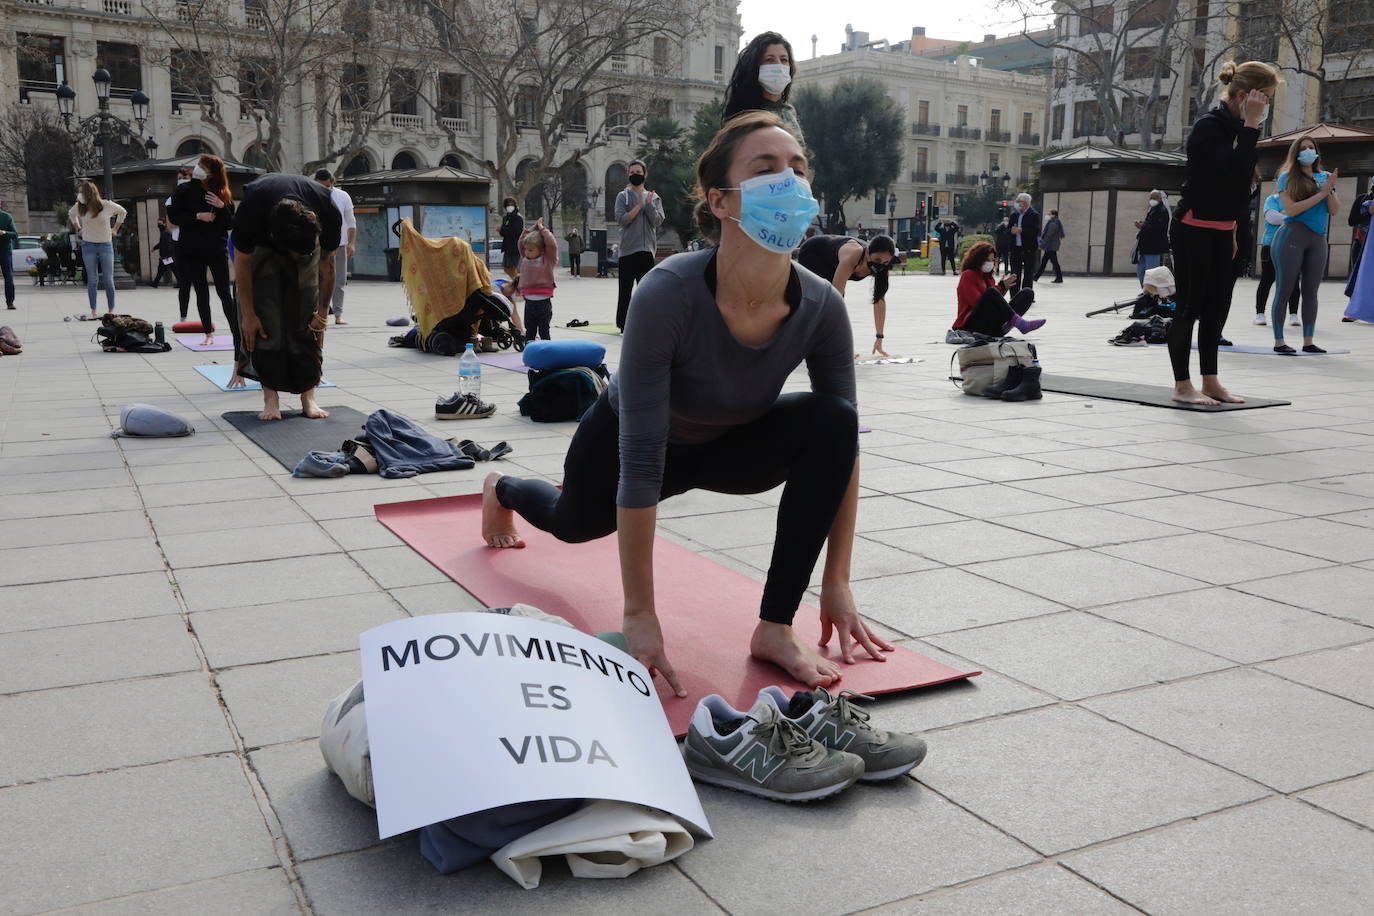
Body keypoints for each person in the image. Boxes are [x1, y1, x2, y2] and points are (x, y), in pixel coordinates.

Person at [481, 110, 888, 691]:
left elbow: (842, 450)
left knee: (833, 421)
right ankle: (502, 489)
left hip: (730, 445)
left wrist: (837, 580)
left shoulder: (821, 305)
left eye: (798, 169)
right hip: (633, 441)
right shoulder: (667, 291)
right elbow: (643, 457)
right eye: (766, 169)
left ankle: (774, 627)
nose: (790, 182)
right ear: (720, 202)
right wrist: (640, 616)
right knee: (569, 524)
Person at [1167, 60, 1278, 405]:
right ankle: (1183, 385)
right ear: (1245, 95)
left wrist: (1233, 228)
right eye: (1266, 98)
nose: (1267, 106)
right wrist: (1251, 125)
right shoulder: (1210, 126)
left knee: (1217, 307)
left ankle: (1211, 381)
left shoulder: (1238, 130)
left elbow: (1239, 188)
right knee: (1188, 307)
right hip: (1193, 227)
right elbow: (1231, 170)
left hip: (1224, 228)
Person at [232, 172, 342, 421]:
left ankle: (308, 396)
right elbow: (242, 263)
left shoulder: (326, 208)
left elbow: (327, 265)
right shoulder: (252, 209)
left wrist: (322, 314)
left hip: (304, 243)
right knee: (265, 320)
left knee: (306, 319)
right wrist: (249, 315)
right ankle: (271, 399)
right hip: (263, 252)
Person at [1270, 135, 1339, 354]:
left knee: (1311, 291)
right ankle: (1279, 341)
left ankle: (1308, 341)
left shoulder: (1324, 177)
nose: (1308, 151)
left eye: (1311, 147)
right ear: (1295, 153)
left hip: (1317, 238)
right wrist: (1321, 194)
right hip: (1292, 236)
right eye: (1303, 148)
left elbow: (1335, 210)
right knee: (1285, 289)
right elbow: (1290, 210)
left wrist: (1329, 191)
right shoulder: (1287, 177)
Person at [168, 155, 237, 351]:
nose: (198, 168)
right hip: (191, 248)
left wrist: (221, 207)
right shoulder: (184, 190)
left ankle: (236, 332)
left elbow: (230, 222)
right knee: (201, 291)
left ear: (213, 172)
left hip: (217, 248)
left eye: (203, 166)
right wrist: (198, 216)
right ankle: (208, 333)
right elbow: (173, 216)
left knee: (225, 292)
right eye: (199, 165)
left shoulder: (222, 193)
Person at [797, 232, 897, 356]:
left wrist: (879, 337)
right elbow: (835, 299)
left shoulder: (882, 266)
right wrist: (843, 348)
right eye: (877, 259)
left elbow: (879, 301)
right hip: (815, 252)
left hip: (835, 260)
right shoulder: (852, 256)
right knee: (824, 300)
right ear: (867, 253)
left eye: (885, 262)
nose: (880, 264)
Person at [721, 32, 804, 142]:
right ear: (754, 67)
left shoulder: (789, 112)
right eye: (770, 60)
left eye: (784, 60)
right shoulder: (745, 118)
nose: (778, 65)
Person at [952, 241, 1044, 337]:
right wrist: (997, 290)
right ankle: (1019, 323)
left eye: (992, 260)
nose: (990, 263)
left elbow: (993, 300)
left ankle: (1005, 327)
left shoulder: (988, 277)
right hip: (971, 324)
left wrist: (1002, 286)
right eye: (987, 260)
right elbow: (978, 302)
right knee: (991, 292)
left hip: (989, 323)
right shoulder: (968, 275)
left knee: (1027, 293)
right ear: (977, 259)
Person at [614, 159, 664, 330]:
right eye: (632, 172)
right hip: (627, 251)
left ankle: (648, 323)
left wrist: (648, 205)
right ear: (628, 174)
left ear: (645, 174)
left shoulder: (654, 197)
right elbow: (621, 220)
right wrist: (639, 206)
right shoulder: (623, 196)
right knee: (625, 291)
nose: (635, 175)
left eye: (639, 172)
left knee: (646, 292)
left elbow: (657, 221)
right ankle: (623, 325)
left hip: (647, 250)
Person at [68, 180, 126, 318]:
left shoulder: (106, 205)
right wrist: (78, 229)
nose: (79, 195)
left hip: (105, 244)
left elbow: (123, 212)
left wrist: (115, 229)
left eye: (81, 192)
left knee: (108, 278)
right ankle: (93, 311)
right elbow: (71, 214)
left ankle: (111, 310)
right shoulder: (80, 207)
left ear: (90, 193)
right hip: (88, 245)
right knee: (92, 279)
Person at [314, 169, 356, 325]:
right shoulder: (311, 194)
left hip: (339, 244)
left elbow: (351, 221)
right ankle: (319, 312)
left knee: (339, 280)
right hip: (317, 244)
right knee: (317, 279)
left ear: (332, 182)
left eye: (326, 186)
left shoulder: (342, 196)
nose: (324, 190)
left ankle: (338, 314)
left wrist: (351, 243)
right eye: (320, 186)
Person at [1253, 192, 1300, 325]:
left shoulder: (1299, 199)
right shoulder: (1272, 199)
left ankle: (1293, 314)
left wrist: (1284, 213)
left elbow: (1305, 218)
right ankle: (1260, 314)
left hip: (1292, 245)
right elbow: (1272, 218)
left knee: (1294, 281)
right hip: (1270, 244)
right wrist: (1293, 215)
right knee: (1266, 280)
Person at [516, 218, 557, 340]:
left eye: (531, 250)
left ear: (541, 249)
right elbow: (520, 243)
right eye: (526, 249)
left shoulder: (548, 260)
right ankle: (529, 351)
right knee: (530, 330)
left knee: (544, 329)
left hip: (543, 302)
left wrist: (542, 229)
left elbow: (552, 244)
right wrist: (530, 229)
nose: (527, 252)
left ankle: (547, 352)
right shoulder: (526, 258)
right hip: (529, 301)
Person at [164, 166, 194, 319]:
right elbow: (171, 225)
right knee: (184, 283)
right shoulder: (171, 199)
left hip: (196, 242)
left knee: (200, 283)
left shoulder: (196, 197)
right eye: (179, 178)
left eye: (185, 178)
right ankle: (183, 316)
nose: (181, 181)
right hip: (179, 243)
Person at [1343, 180, 1373, 319]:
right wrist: (1369, 212)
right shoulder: (1362, 199)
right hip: (1360, 244)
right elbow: (1351, 221)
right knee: (1357, 276)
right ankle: (1354, 310)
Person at [1134, 190, 1171, 287]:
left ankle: (1150, 293)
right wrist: (1143, 224)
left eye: (1154, 198)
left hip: (1154, 248)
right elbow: (1150, 225)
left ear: (1159, 198)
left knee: (1151, 273)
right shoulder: (1153, 210)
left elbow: (1157, 229)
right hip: (1145, 247)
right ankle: (1146, 291)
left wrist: (1142, 226)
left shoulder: (1161, 211)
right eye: (1151, 198)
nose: (1152, 200)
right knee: (1141, 270)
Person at [1007, 192, 1041, 289]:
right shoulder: (1014, 215)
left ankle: (1027, 294)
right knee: (1014, 273)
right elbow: (1008, 230)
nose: (1016, 203)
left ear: (1026, 203)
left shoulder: (1034, 215)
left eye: (1019, 201)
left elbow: (1035, 231)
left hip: (1028, 249)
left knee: (1028, 273)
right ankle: (1014, 294)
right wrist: (1011, 231)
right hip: (1015, 249)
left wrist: (1022, 230)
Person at [1036, 208, 1065, 283]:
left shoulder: (1053, 224)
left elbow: (1048, 236)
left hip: (1050, 246)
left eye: (1049, 214)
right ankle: (1036, 277)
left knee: (1050, 262)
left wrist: (1042, 244)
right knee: (1047, 262)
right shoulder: (1054, 222)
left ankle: (1059, 277)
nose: (1047, 215)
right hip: (1051, 246)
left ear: (1053, 215)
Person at [499, 197, 524, 283]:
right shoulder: (506, 218)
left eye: (511, 205)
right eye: (508, 205)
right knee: (506, 268)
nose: (510, 206)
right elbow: (503, 232)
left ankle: (518, 284)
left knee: (514, 267)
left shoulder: (518, 218)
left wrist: (503, 230)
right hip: (507, 246)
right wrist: (502, 231)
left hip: (515, 246)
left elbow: (516, 232)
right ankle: (517, 282)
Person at [0, 199, 18, 309]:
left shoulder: (6, 217)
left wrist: (4, 232)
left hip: (5, 251)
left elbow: (15, 234)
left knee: (8, 277)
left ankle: (10, 302)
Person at [151, 219, 177, 289]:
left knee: (163, 269)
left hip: (167, 256)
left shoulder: (165, 232)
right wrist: (155, 248)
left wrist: (165, 256)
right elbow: (162, 243)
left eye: (160, 224)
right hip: (168, 256)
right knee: (169, 268)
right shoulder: (164, 232)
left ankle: (155, 283)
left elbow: (167, 244)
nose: (159, 226)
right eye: (158, 224)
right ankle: (155, 283)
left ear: (165, 224)